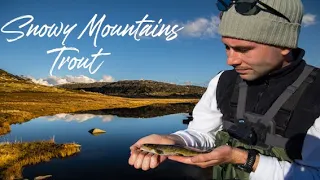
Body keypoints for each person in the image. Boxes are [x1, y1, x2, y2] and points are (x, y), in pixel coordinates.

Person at [128, 0, 320, 179]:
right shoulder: (223, 81)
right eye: (227, 47)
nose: (231, 60)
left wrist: (243, 159)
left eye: (243, 49)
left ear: (284, 45)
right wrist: (174, 140)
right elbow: (203, 134)